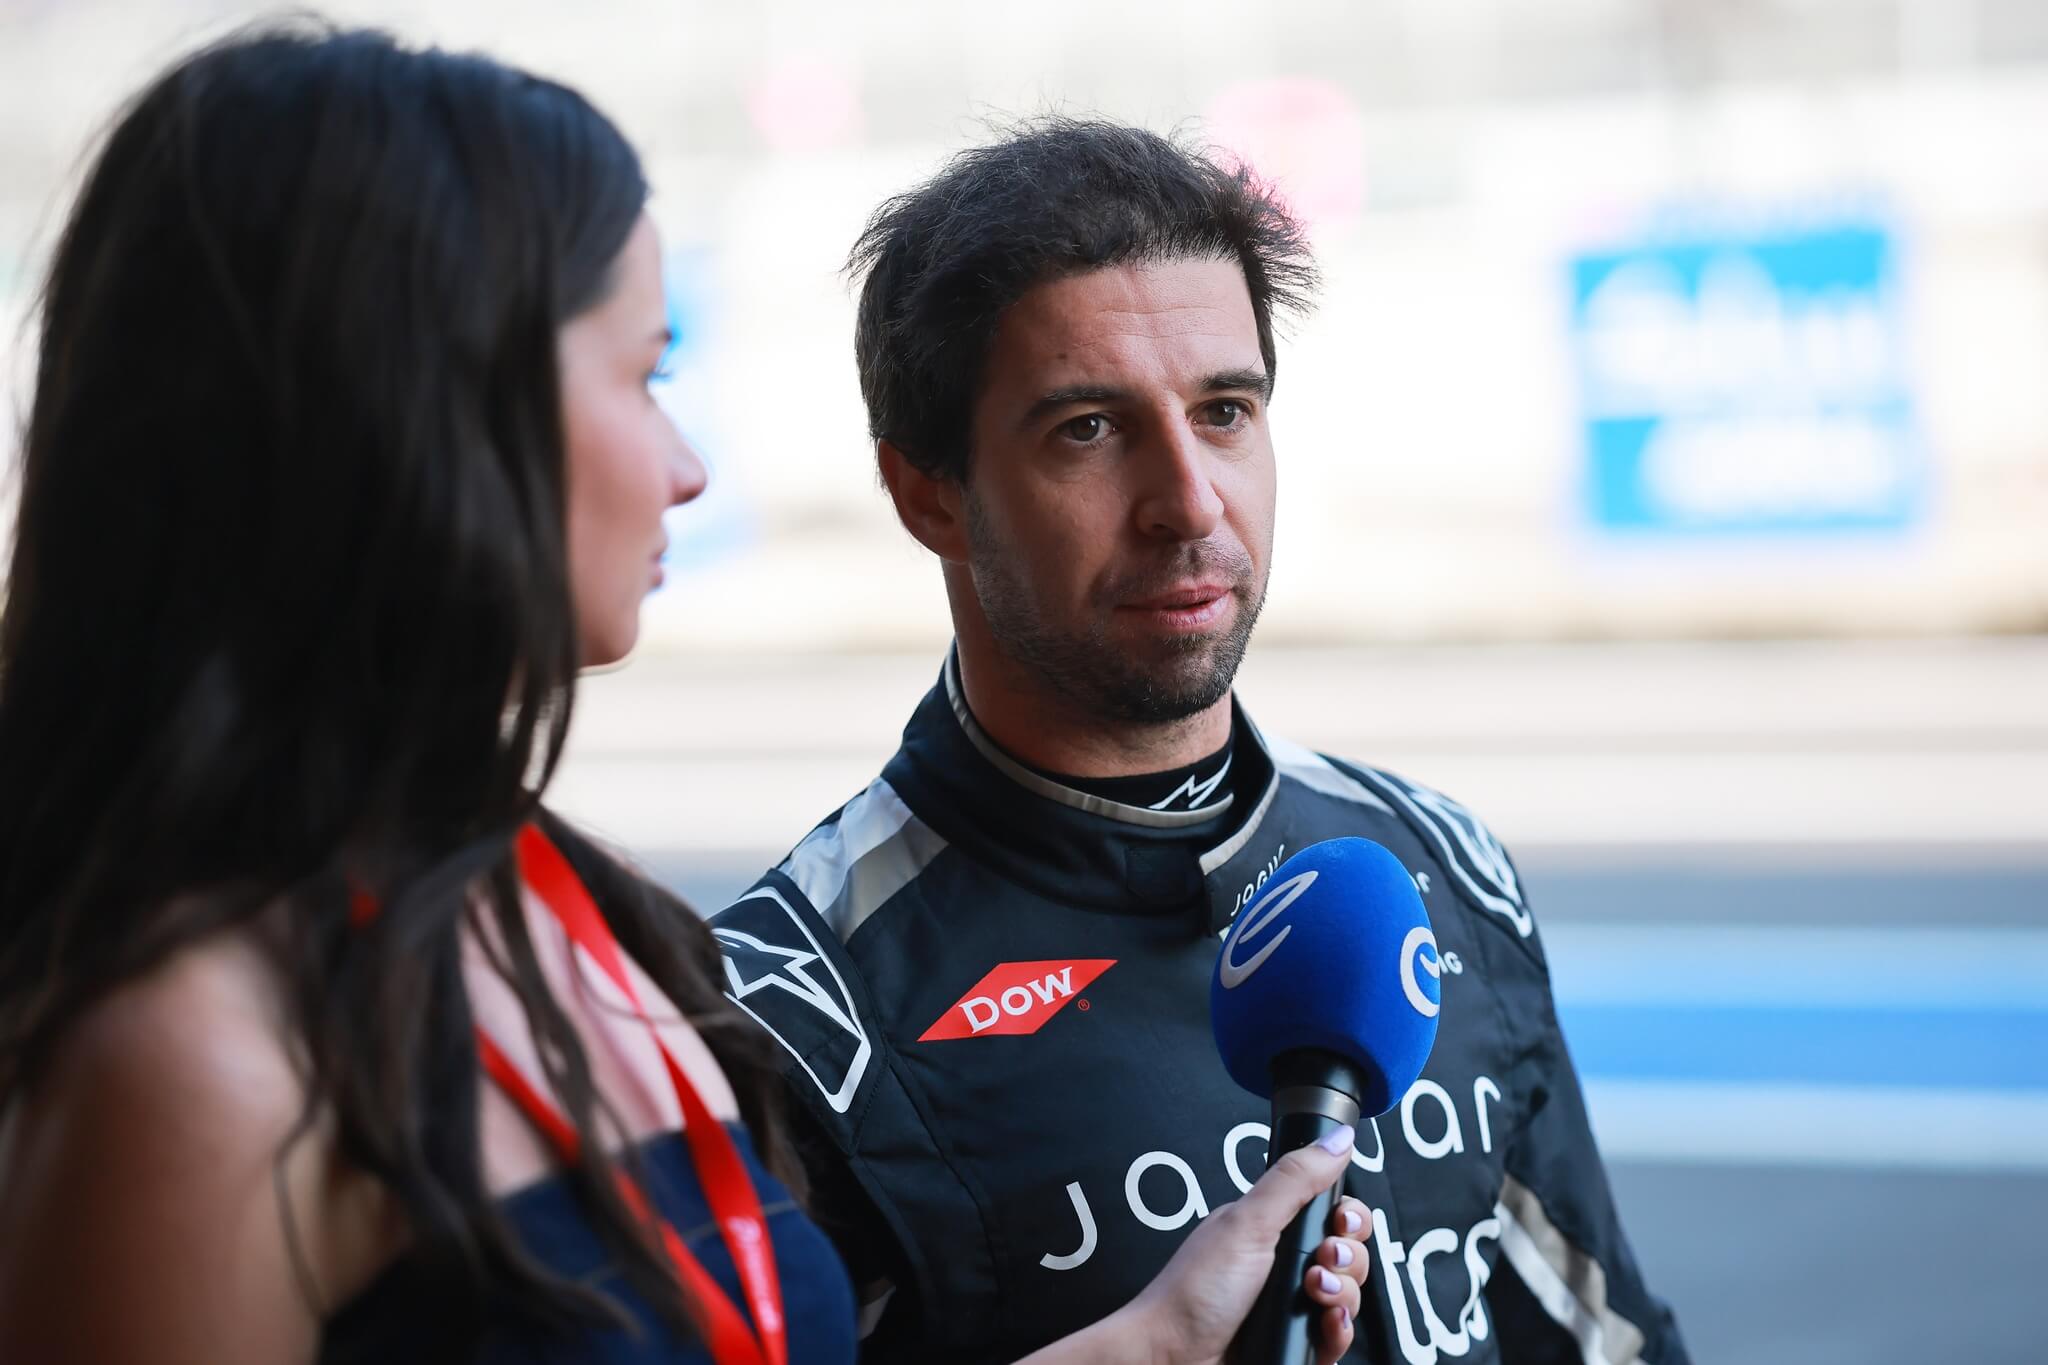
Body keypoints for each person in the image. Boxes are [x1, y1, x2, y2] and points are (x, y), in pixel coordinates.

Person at [0, 30, 1372, 1365]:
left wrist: (1147, 1347)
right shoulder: (191, 1064)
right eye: (644, 374)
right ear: (416, 419)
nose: (686, 467)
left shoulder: (582, 917)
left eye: (1226, 411)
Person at [709, 119, 1693, 1365]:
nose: (1187, 502)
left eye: (1223, 411)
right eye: (1086, 429)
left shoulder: (1438, 860)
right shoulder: (788, 1008)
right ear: (928, 493)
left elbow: (1609, 1342)